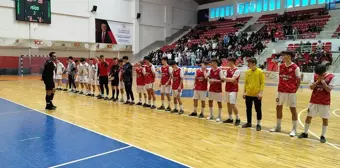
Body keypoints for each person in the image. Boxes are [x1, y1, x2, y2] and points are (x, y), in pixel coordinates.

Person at [298, 64, 335, 143]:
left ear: (324, 71)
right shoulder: (315, 76)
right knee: (308, 117)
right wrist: (318, 81)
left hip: (325, 102)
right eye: (317, 73)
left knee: (325, 118)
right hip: (314, 100)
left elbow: (328, 90)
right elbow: (311, 87)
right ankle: (305, 133)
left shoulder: (331, 77)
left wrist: (323, 81)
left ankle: (323, 135)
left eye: (320, 74)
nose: (318, 75)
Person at [270, 51, 301, 137]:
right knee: (278, 107)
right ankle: (278, 126)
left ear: (289, 56)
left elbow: (298, 81)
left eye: (284, 56)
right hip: (280, 91)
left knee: (293, 109)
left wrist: (295, 90)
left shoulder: (295, 67)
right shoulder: (281, 66)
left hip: (291, 92)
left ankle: (294, 129)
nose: (282, 57)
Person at [242, 58, 265, 131]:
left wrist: (260, 93)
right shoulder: (247, 72)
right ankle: (249, 123)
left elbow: (262, 83)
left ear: (254, 63)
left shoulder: (260, 72)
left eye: (249, 63)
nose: (248, 64)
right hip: (248, 94)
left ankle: (258, 124)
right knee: (248, 109)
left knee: (258, 109)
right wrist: (244, 92)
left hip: (257, 95)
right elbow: (245, 83)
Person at [222, 57, 241, 126]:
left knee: (232, 104)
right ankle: (230, 118)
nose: (227, 63)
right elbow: (224, 79)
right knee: (228, 103)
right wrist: (229, 79)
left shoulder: (237, 70)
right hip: (227, 88)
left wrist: (226, 79)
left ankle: (238, 118)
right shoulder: (227, 70)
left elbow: (232, 79)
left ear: (232, 62)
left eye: (228, 61)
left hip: (234, 89)